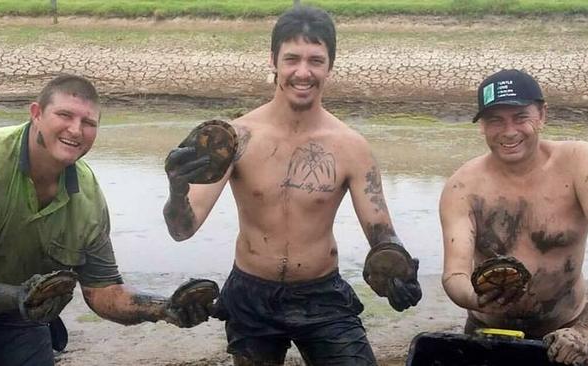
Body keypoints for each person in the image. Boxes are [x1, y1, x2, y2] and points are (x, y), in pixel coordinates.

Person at [163, 6, 421, 365]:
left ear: (330, 65)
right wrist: (177, 188)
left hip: (322, 294)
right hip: (250, 296)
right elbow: (182, 229)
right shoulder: (234, 138)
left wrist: (400, 271)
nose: (303, 72)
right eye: (292, 59)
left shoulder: (351, 147)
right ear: (273, 61)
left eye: (315, 60)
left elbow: (382, 236)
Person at [0, 74, 214, 366]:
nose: (76, 129)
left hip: (16, 308)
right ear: (36, 113)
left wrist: (164, 308)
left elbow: (104, 291)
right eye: (64, 115)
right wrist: (21, 296)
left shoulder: (87, 196)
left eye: (89, 123)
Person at [440, 69, 588, 365]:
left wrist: (586, 332)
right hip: (489, 332)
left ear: (542, 115)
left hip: (569, 327)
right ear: (482, 125)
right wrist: (475, 297)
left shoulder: (578, 163)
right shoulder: (462, 187)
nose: (509, 131)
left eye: (521, 117)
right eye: (495, 120)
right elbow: (454, 274)